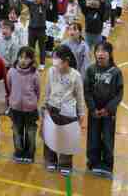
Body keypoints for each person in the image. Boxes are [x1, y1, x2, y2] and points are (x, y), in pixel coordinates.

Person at [42, 45, 87, 176]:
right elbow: (47, 89)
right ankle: (51, 160)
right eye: (54, 57)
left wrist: (81, 113)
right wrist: (44, 105)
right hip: (52, 108)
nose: (54, 61)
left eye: (57, 58)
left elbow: (80, 96)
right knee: (50, 135)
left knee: (67, 138)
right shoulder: (51, 71)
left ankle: (65, 164)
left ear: (66, 60)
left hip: (68, 112)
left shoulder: (75, 75)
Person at [84, 41, 124, 177]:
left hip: (109, 113)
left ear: (110, 54)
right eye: (98, 51)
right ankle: (93, 161)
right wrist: (92, 108)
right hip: (94, 111)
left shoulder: (116, 72)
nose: (100, 54)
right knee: (93, 136)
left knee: (107, 137)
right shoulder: (90, 70)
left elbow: (119, 94)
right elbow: (87, 91)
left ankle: (107, 164)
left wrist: (108, 109)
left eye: (104, 51)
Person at [7, 46, 40, 164]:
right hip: (16, 108)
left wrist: (32, 102)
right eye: (21, 57)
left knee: (30, 132)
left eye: (26, 58)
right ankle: (19, 151)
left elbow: (37, 91)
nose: (23, 60)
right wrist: (13, 100)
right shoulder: (11, 72)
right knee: (17, 131)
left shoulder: (35, 73)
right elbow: (9, 87)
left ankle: (30, 153)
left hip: (30, 109)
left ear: (31, 60)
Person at [24, 0, 47, 71]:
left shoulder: (43, 5)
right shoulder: (31, 4)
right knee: (31, 47)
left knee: (42, 47)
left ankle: (42, 63)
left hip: (41, 29)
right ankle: (31, 63)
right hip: (31, 29)